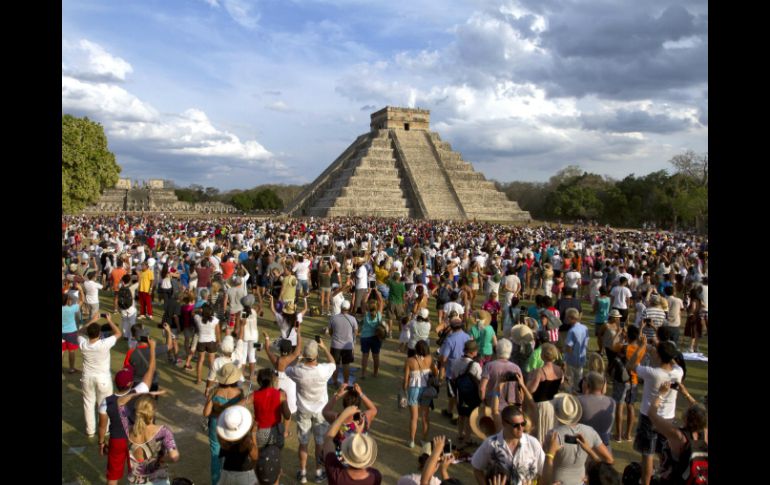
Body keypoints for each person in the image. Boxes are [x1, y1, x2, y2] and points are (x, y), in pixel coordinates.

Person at [97, 338, 159, 485]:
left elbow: (102, 426)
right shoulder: (139, 391)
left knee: (113, 476)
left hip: (116, 440)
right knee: (139, 473)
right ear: (131, 383)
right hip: (136, 439)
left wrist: (101, 442)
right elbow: (151, 370)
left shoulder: (106, 401)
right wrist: (152, 349)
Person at [626, 336, 684, 485]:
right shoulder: (679, 372)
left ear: (659, 355)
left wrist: (642, 347)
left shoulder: (652, 372)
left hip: (649, 417)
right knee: (663, 454)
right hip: (668, 419)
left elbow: (631, 364)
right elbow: (673, 362)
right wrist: (659, 350)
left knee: (647, 456)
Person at [285, 339, 337, 483]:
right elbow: (333, 363)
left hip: (303, 410)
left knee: (303, 442)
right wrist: (325, 348)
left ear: (305, 356)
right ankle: (319, 473)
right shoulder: (323, 370)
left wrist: (298, 357)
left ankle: (302, 473)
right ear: (316, 356)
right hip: (320, 410)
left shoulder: (298, 370)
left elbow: (287, 368)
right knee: (320, 442)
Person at [545, 393, 614, 484]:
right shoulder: (590, 431)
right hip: (580, 481)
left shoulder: (552, 435)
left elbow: (545, 464)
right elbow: (609, 460)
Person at [647, 382, 708, 485]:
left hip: (677, 480)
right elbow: (701, 412)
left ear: (686, 417)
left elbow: (651, 413)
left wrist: (661, 393)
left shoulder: (678, 435)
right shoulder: (705, 432)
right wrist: (686, 394)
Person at [471, 405, 545, 485]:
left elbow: (544, 472)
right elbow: (476, 468)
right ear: (504, 423)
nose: (521, 428)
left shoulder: (533, 443)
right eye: (516, 425)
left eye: (523, 423)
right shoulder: (491, 443)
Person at [79, 313, 122, 438]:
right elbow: (118, 333)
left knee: (88, 404)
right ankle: (106, 428)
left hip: (87, 378)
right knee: (104, 404)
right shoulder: (104, 343)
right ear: (99, 334)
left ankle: (90, 431)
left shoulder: (83, 343)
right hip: (103, 379)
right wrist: (110, 321)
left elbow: (79, 332)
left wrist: (91, 320)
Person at [204, 363, 245, 485]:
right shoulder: (239, 392)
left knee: (215, 455)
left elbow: (206, 413)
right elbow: (243, 412)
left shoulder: (214, 392)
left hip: (215, 425)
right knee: (232, 454)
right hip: (233, 427)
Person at [322, 405, 383, 485]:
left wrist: (343, 416)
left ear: (346, 453)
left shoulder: (336, 474)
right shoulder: (375, 476)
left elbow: (328, 438)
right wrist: (359, 434)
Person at [127, 394, 180, 484]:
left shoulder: (127, 430)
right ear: (154, 411)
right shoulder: (163, 431)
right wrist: (161, 459)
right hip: (158, 480)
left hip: (135, 481)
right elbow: (174, 456)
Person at [240, 368, 292, 449]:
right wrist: (284, 399)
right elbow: (287, 415)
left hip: (260, 431)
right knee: (275, 455)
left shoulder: (254, 395)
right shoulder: (280, 394)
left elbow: (239, 405)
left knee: (260, 455)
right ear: (272, 380)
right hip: (276, 430)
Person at [322, 382, 378, 452]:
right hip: (358, 455)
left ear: (343, 403)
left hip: (340, 458)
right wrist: (361, 393)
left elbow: (325, 411)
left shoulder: (337, 419)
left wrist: (337, 395)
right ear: (359, 404)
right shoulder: (364, 419)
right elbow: (373, 409)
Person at [404, 340, 438, 448]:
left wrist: (404, 390)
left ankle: (411, 440)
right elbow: (436, 372)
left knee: (414, 417)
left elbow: (406, 380)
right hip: (426, 390)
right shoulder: (430, 359)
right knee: (425, 417)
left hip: (413, 389)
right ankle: (424, 440)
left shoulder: (410, 361)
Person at [216, 405, 259, 485]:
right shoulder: (246, 441)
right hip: (245, 476)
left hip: (226, 473)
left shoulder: (222, 438)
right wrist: (253, 433)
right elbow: (255, 456)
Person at [479, 338, 523, 415]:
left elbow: (482, 388)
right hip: (511, 408)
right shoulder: (516, 368)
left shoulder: (489, 366)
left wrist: (483, 401)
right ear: (510, 351)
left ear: (497, 350)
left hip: (492, 404)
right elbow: (521, 389)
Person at [439, 316, 471, 422]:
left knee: (453, 394)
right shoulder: (468, 337)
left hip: (452, 371)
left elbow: (444, 358)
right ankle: (449, 411)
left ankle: (457, 416)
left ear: (451, 327)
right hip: (466, 369)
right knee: (460, 394)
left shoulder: (449, 340)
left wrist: (441, 369)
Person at [452, 340, 482, 448]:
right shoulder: (475, 365)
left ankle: (460, 434)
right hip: (471, 395)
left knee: (460, 415)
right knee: (470, 417)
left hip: (459, 393)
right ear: (473, 352)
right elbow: (479, 380)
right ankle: (467, 439)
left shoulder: (456, 361)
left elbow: (453, 376)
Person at [577, 371, 615, 447]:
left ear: (588, 385)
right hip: (604, 445)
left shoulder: (579, 400)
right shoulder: (612, 401)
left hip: (585, 445)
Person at [328, 300, 358, 386]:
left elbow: (330, 332)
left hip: (335, 345)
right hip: (348, 346)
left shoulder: (333, 318)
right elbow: (356, 332)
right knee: (346, 365)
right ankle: (346, 382)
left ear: (341, 307)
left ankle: (334, 381)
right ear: (349, 308)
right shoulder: (353, 319)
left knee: (335, 365)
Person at [194, 303, 222, 385]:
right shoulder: (214, 320)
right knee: (212, 362)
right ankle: (212, 378)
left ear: (202, 310)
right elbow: (218, 332)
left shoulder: (198, 318)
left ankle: (198, 379)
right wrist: (218, 340)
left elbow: (192, 312)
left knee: (200, 360)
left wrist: (198, 310)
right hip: (211, 342)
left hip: (201, 341)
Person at [563, 308, 588, 393]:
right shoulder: (585, 328)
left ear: (571, 318)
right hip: (581, 358)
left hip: (571, 360)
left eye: (567, 317)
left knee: (569, 381)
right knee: (579, 380)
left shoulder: (572, 331)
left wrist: (565, 360)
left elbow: (569, 347)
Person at [62, 293, 81, 374]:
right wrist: (81, 290)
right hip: (71, 333)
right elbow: (82, 300)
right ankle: (71, 368)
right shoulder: (72, 308)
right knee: (71, 351)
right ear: (67, 301)